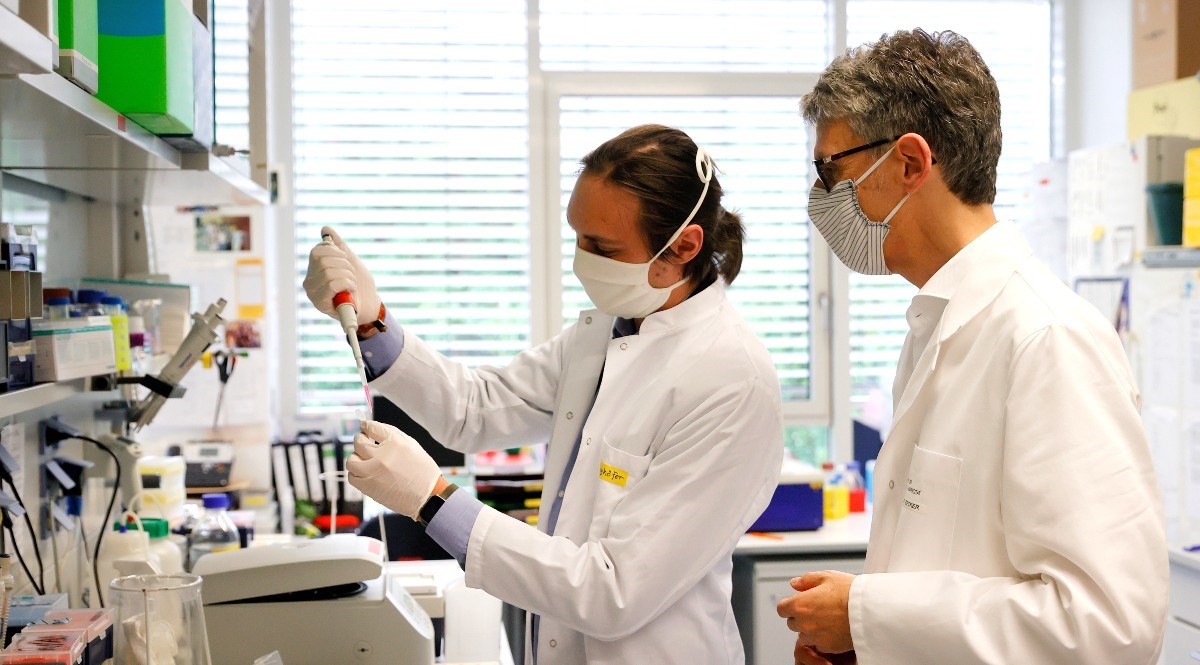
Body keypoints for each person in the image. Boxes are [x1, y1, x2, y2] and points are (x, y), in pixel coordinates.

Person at [304, 124, 784, 664]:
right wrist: (373, 323)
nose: (582, 260)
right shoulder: (607, 331)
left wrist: (433, 500)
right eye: (578, 236)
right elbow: (476, 408)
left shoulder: (731, 381)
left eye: (602, 247)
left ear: (684, 247)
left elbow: (613, 591)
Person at [775, 29, 1168, 665]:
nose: (823, 198)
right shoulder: (940, 323)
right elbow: (949, 566)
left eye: (832, 171)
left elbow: (1107, 627)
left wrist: (868, 615)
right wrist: (865, 641)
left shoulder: (1047, 338)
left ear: (910, 163)